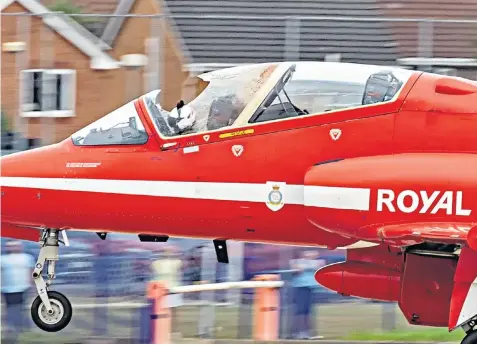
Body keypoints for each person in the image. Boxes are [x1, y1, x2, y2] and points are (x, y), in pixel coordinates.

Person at [1, 240, 35, 342]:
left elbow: (32, 272)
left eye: (16, 246)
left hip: (23, 287)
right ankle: (11, 328)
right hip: (7, 288)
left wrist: (32, 285)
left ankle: (23, 327)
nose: (13, 248)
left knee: (21, 308)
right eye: (11, 246)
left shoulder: (27, 258)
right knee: (10, 309)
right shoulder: (3, 259)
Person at [290, 250, 325, 339]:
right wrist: (308, 266)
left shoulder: (320, 261)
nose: (312, 254)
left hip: (312, 288)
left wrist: (306, 266)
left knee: (310, 311)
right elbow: (297, 269)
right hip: (301, 288)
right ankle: (299, 332)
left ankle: (310, 333)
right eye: (309, 252)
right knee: (301, 310)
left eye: (314, 252)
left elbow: (320, 266)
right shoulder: (295, 261)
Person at [150, 245, 183, 334]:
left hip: (172, 288)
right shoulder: (156, 263)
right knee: (159, 311)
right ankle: (160, 329)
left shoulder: (176, 262)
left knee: (173, 311)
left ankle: (172, 330)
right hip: (161, 289)